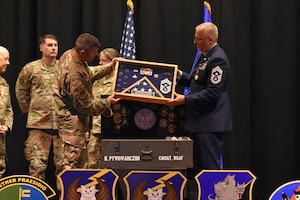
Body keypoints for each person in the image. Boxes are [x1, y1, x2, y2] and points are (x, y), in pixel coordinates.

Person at [167, 22, 232, 170]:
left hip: (209, 123)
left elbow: (212, 93)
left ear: (210, 40)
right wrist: (177, 75)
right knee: (198, 168)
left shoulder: (217, 60)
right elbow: (196, 81)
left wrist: (184, 99)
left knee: (209, 168)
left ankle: (211, 194)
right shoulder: (206, 57)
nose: (194, 42)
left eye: (198, 38)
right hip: (200, 122)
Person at [53, 33, 121, 170]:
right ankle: (68, 192)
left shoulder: (71, 55)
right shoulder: (74, 76)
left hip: (73, 121)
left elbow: (88, 73)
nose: (96, 56)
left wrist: (110, 67)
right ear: (83, 52)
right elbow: (86, 106)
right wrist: (108, 101)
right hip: (72, 125)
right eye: (94, 54)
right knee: (73, 165)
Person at [15, 34, 63, 188]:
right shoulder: (31, 68)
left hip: (62, 126)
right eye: (49, 45)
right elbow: (21, 91)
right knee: (36, 167)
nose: (53, 48)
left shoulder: (64, 67)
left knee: (64, 168)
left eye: (55, 45)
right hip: (39, 126)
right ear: (41, 47)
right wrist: (31, 110)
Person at [87, 48, 119, 169]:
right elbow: (89, 105)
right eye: (100, 61)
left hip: (114, 130)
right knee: (92, 164)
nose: (100, 64)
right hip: (96, 129)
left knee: (112, 165)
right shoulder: (96, 80)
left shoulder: (120, 81)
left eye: (104, 61)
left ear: (112, 62)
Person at [0, 46, 13, 179]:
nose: (8, 63)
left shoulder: (3, 83)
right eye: (6, 59)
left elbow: (9, 109)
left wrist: (7, 126)